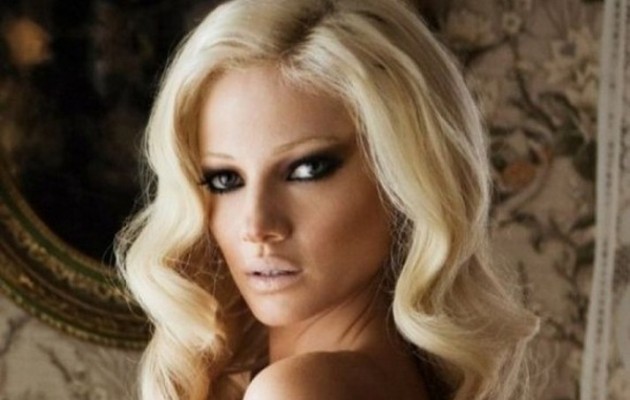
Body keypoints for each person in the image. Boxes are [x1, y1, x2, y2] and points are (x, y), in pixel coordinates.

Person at [115, 0, 539, 399]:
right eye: (225, 179)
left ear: (402, 176)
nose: (257, 226)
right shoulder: (390, 379)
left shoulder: (298, 389)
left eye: (307, 170)